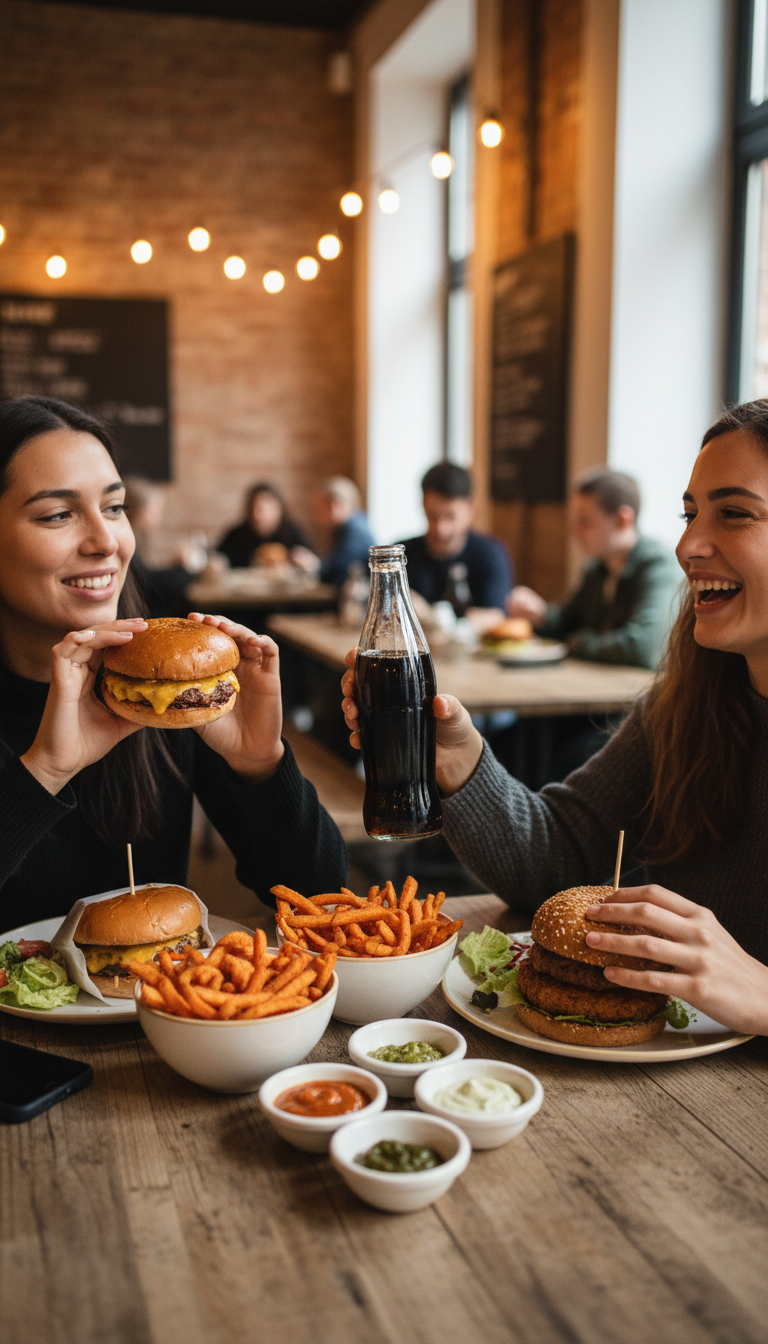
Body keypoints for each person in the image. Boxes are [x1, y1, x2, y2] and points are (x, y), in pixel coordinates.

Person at [340, 400, 768, 1036]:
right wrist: (459, 763)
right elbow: (555, 861)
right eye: (689, 515)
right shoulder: (682, 706)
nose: (687, 545)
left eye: (733, 513)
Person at [0, 396, 346, 926]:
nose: (106, 541)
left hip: (162, 1006)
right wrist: (43, 771)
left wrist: (261, 766)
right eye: (57, 514)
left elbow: (321, 897)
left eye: (115, 508)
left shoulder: (161, 686)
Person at [508, 468, 679, 669]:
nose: (574, 531)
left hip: (648, 693)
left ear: (622, 520)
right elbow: (566, 623)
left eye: (585, 521)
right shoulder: (597, 568)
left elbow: (642, 647)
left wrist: (578, 643)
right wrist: (540, 614)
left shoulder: (659, 566)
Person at [401, 462, 514, 633]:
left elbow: (495, 615)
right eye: (432, 516)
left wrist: (431, 617)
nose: (440, 528)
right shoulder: (402, 554)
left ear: (469, 509)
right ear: (423, 505)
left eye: (450, 516)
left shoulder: (491, 553)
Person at [216, 482, 316, 570]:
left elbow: (311, 561)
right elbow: (218, 557)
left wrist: (308, 562)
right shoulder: (237, 534)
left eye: (262, 509)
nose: (256, 514)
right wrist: (217, 564)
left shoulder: (291, 531)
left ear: (277, 509)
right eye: (253, 509)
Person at [311, 476, 375, 587]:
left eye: (320, 508)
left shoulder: (354, 530)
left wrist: (315, 565)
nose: (317, 516)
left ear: (335, 505)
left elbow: (336, 570)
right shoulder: (350, 526)